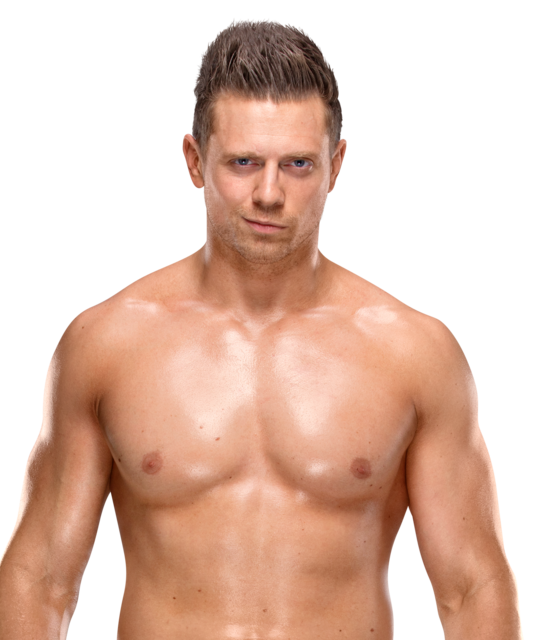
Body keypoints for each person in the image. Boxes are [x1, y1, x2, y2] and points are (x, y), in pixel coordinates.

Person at [0, 17, 523, 640]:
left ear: (336, 165)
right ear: (195, 161)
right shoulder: (107, 344)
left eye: (297, 164)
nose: (268, 193)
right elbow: (41, 577)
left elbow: (471, 587)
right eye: (243, 162)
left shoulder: (414, 352)